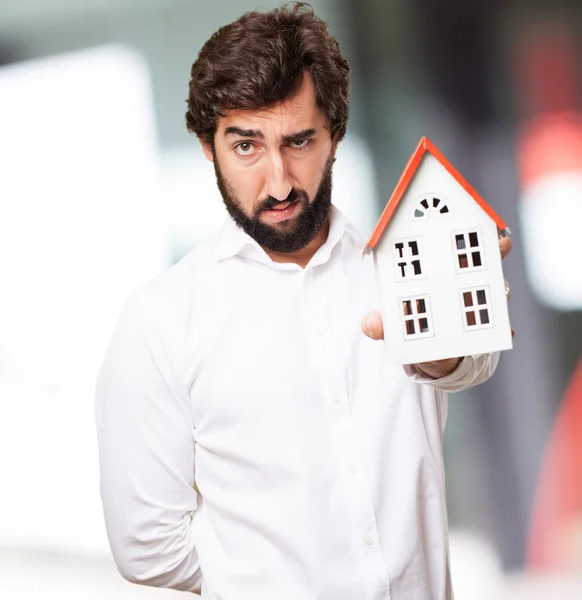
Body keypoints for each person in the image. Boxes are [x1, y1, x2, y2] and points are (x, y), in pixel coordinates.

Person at [95, 4, 512, 599]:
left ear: (334, 135)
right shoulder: (161, 319)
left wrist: (446, 347)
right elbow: (146, 545)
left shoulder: (395, 264)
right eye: (246, 147)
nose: (280, 181)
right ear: (208, 148)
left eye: (299, 141)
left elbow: (472, 363)